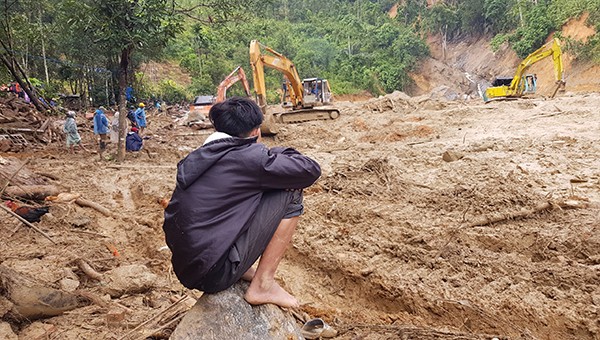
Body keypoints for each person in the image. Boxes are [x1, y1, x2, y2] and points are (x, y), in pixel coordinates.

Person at [162, 97, 321, 308]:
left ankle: (242, 269)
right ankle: (263, 285)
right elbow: (310, 170)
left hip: (189, 269)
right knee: (290, 193)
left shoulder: (199, 158)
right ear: (256, 132)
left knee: (244, 199)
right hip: (214, 273)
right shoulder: (249, 158)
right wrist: (272, 151)